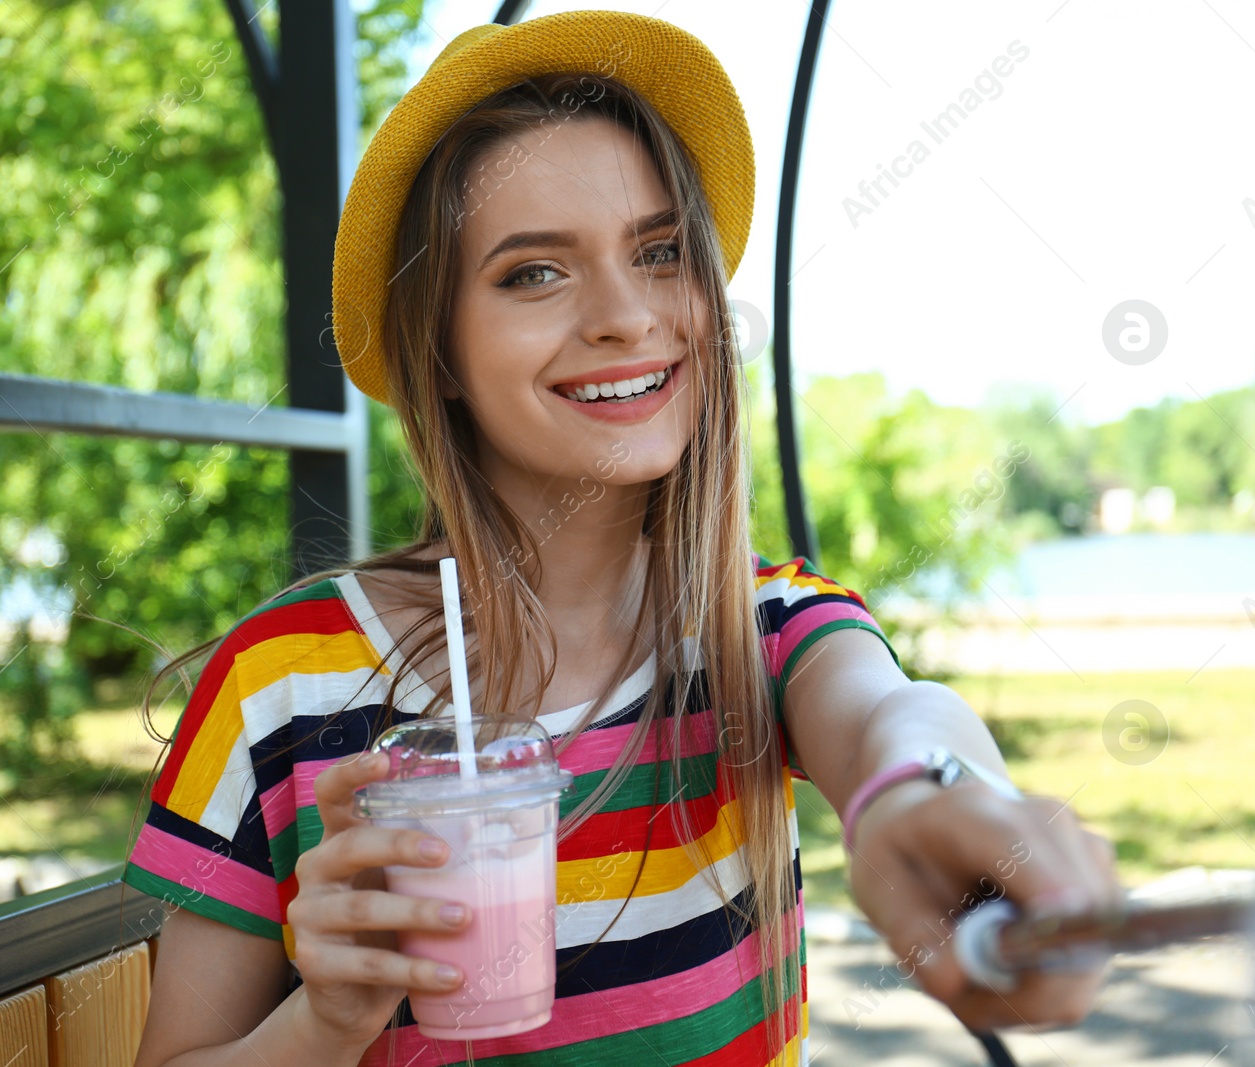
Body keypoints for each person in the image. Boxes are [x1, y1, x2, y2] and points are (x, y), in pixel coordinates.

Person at [124, 11, 1119, 1067]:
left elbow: (890, 711)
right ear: (442, 348)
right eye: (533, 273)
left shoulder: (763, 628)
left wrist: (922, 795)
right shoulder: (280, 685)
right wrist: (321, 1021)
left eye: (657, 253)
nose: (623, 315)